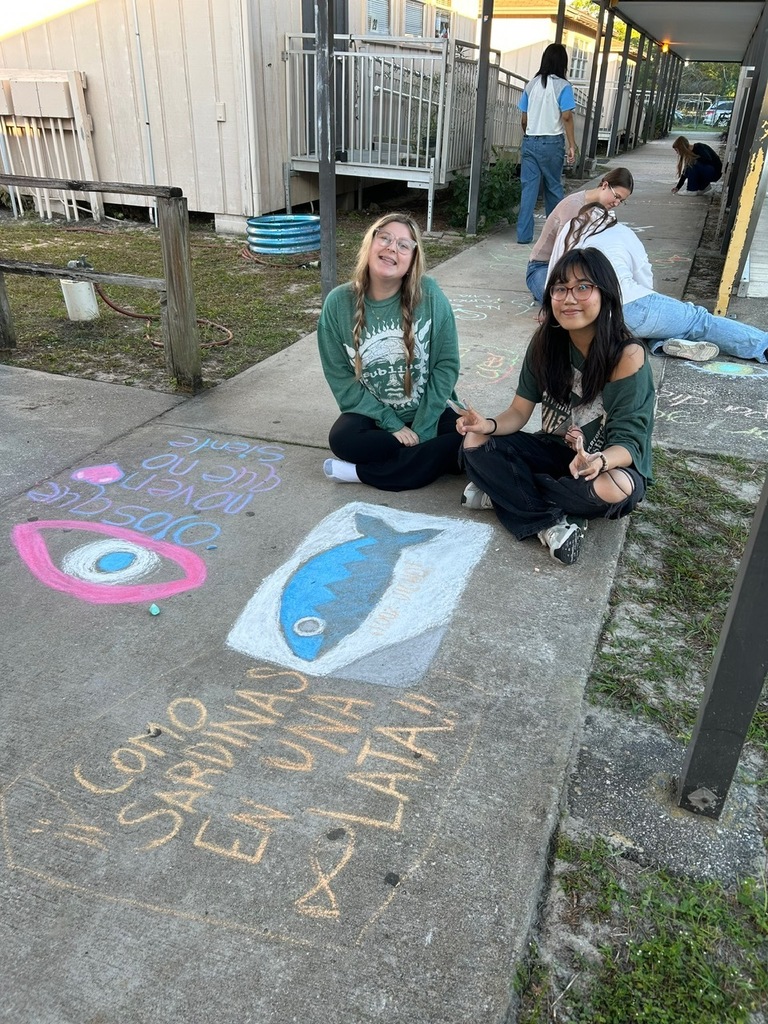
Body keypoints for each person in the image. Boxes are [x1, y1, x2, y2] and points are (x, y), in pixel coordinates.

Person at [456, 248, 654, 567]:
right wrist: (487, 425)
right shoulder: (545, 343)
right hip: (553, 452)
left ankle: (506, 493)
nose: (569, 298)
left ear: (605, 295)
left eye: (583, 287)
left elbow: (629, 442)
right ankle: (548, 524)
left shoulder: (626, 356)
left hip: (604, 463)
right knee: (475, 443)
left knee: (617, 489)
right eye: (560, 288)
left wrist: (598, 460)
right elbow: (519, 413)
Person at [317, 212, 464, 491]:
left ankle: (360, 474)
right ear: (369, 244)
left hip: (428, 410)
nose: (392, 248)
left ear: (412, 260)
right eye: (385, 238)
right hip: (374, 417)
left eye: (403, 245)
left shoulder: (430, 295)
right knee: (342, 439)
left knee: (468, 440)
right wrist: (392, 424)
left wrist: (422, 428)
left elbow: (446, 366)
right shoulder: (337, 304)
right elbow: (341, 380)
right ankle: (427, 460)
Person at [548, 203, 768, 363]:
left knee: (649, 326)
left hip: (586, 317)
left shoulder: (569, 230)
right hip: (627, 304)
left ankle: (664, 344)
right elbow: (644, 276)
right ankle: (762, 346)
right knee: (697, 319)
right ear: (609, 216)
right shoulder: (621, 231)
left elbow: (554, 275)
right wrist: (651, 303)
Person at [526, 167, 634, 303]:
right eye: (616, 196)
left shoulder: (601, 210)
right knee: (563, 302)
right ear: (605, 185)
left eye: (621, 201)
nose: (617, 203)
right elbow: (562, 256)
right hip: (543, 266)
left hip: (576, 267)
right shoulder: (574, 206)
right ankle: (545, 295)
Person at [516, 43, 577, 245]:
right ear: (563, 63)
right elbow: (566, 116)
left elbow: (523, 120)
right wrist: (572, 144)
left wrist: (530, 136)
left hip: (530, 141)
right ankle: (557, 235)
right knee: (553, 189)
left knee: (529, 190)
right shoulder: (563, 86)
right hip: (552, 143)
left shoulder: (530, 85)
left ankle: (524, 236)